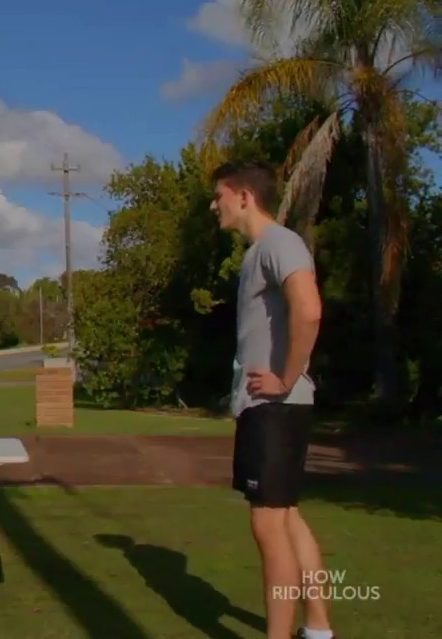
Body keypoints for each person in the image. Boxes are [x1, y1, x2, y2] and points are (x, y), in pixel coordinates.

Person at [210, 160, 336, 639]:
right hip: (272, 407)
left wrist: (286, 377)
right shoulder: (258, 253)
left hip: (275, 406)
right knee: (286, 517)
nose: (214, 205)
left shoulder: (280, 243)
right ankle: (319, 629)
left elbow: (309, 309)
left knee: (268, 524)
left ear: (243, 196)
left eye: (219, 195)